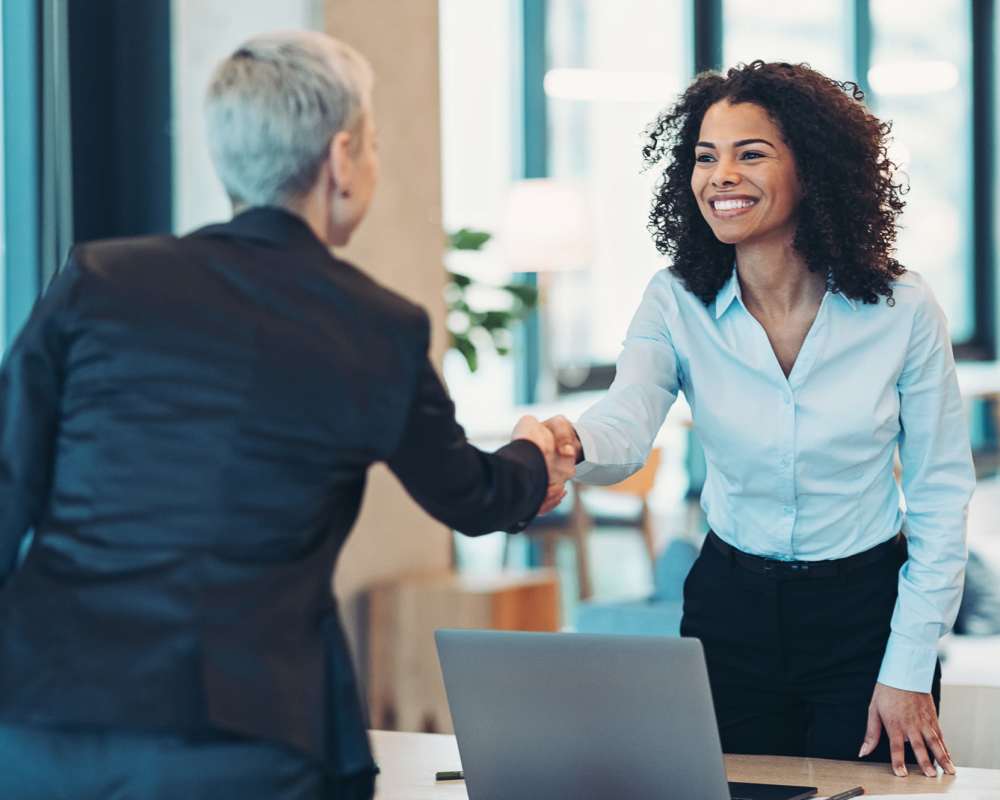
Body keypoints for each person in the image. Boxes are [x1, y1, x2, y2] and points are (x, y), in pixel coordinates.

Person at [0, 32, 574, 799]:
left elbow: (8, 481)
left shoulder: (96, 280)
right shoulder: (376, 326)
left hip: (42, 724)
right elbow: (472, 496)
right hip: (245, 741)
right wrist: (533, 454)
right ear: (341, 159)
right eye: (373, 143)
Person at [541, 61, 974, 779]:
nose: (721, 177)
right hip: (731, 609)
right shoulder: (674, 300)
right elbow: (627, 417)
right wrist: (567, 444)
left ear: (813, 168)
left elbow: (939, 493)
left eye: (751, 154)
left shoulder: (902, 309)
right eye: (705, 157)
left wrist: (907, 666)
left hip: (864, 616)